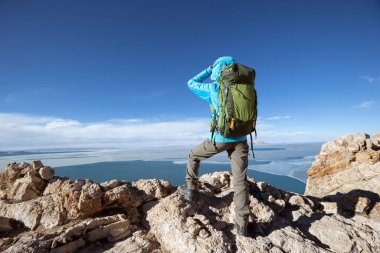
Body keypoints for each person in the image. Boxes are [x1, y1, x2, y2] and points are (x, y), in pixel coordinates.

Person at [178, 56, 250, 236]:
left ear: (218, 70)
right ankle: (242, 226)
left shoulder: (214, 88)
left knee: (193, 155)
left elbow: (191, 83)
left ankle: (191, 191)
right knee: (240, 180)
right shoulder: (245, 88)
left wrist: (208, 69)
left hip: (220, 138)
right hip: (241, 139)